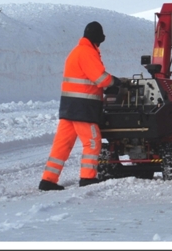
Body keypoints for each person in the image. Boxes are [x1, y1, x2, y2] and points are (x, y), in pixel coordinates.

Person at [39, 21, 122, 191]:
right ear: (97, 39)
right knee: (92, 142)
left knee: (62, 145)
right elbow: (100, 78)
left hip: (69, 107)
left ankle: (48, 180)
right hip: (83, 109)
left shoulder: (76, 51)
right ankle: (87, 178)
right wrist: (116, 82)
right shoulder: (87, 52)